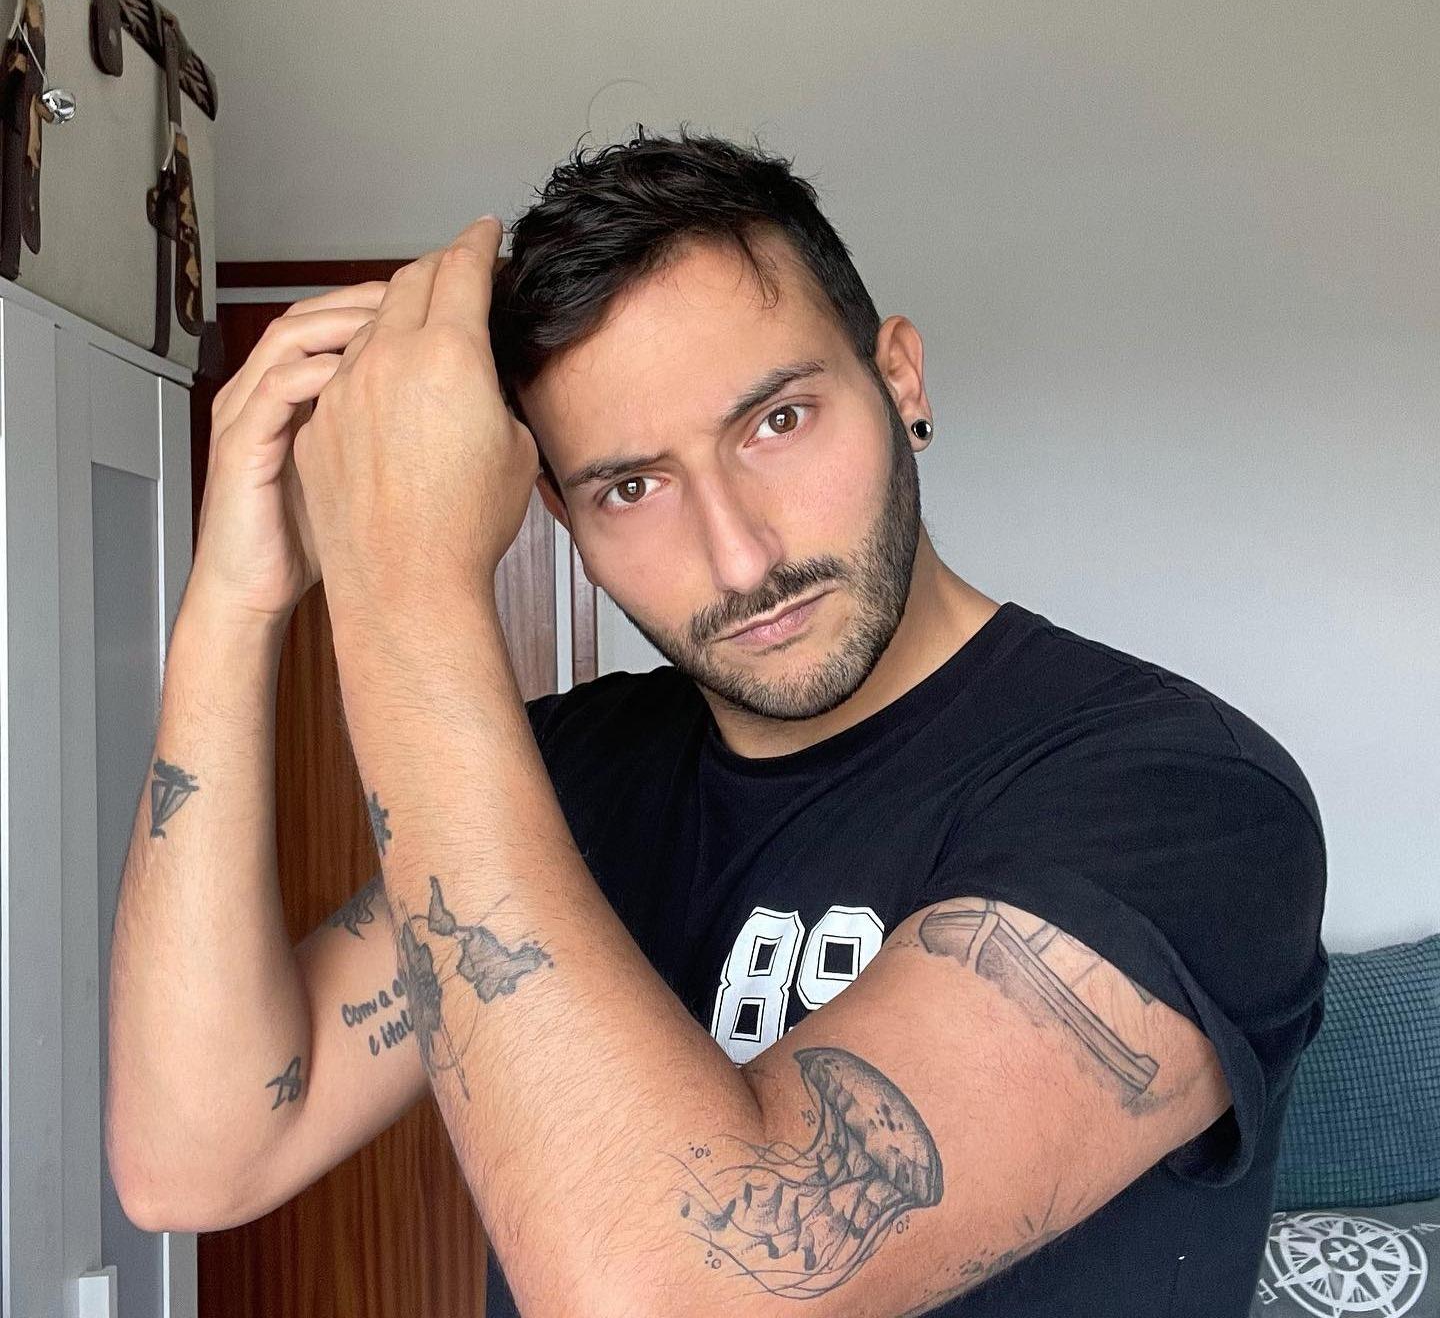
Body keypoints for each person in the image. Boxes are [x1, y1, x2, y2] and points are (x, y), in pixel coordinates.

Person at [107, 126, 1328, 1318]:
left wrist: (406, 581)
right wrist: (235, 599)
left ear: (900, 379)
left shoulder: (1186, 797)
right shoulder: (565, 779)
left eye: (776, 422)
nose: (740, 557)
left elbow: (679, 1292)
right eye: (631, 486)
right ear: (561, 518)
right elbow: (194, 1158)